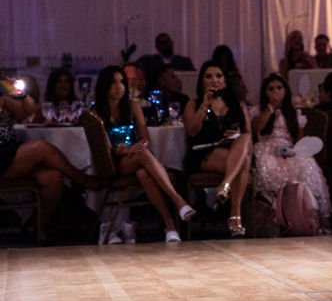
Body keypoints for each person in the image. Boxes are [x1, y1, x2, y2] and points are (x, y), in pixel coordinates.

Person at [93, 65, 196, 242]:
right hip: (113, 162)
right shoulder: (96, 113)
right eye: (113, 83)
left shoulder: (133, 107)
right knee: (142, 154)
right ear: (104, 86)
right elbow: (102, 149)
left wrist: (138, 146)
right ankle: (178, 201)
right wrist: (127, 149)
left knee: (143, 173)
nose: (119, 86)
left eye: (122, 82)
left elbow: (145, 138)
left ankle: (170, 227)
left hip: (135, 156)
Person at [1, 79, 98, 243]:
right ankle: (82, 180)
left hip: (10, 153)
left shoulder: (3, 96)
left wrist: (22, 95)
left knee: (53, 177)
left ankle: (39, 229)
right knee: (41, 148)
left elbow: (28, 112)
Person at [251, 74, 332, 231]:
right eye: (271, 89)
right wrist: (270, 108)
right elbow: (257, 129)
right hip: (267, 147)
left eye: (279, 88)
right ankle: (276, 217)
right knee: (270, 168)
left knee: (305, 165)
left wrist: (294, 151)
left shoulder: (294, 113)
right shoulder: (258, 111)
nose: (276, 91)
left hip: (289, 149)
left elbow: (298, 139)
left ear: (286, 91)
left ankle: (304, 214)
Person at [183, 61, 253, 237]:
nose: (214, 80)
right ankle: (234, 216)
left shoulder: (237, 104)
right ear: (202, 82)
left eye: (219, 76)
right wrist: (204, 105)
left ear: (225, 81)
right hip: (203, 153)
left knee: (244, 141)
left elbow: (249, 136)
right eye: (209, 76)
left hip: (231, 150)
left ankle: (225, 186)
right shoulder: (194, 103)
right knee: (243, 162)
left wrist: (235, 135)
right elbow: (191, 131)